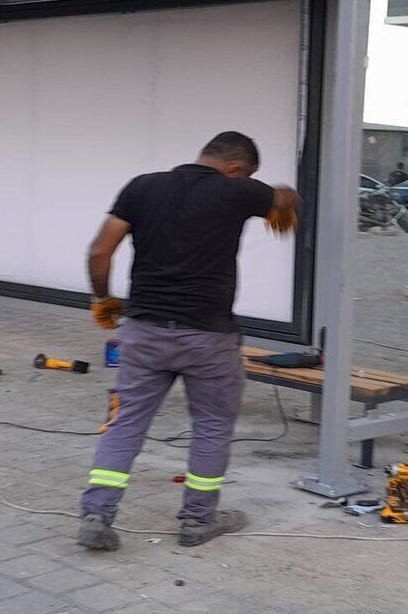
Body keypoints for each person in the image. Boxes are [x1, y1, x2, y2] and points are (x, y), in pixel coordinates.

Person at [78, 131, 301, 550]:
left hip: (144, 331)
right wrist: (283, 207)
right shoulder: (237, 190)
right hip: (208, 337)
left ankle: (96, 514)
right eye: (248, 174)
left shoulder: (142, 186)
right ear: (235, 167)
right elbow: (286, 196)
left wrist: (103, 299)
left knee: (127, 421)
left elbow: (99, 252)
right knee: (212, 426)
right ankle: (198, 520)